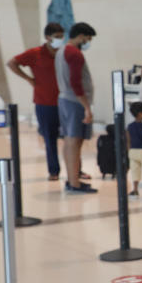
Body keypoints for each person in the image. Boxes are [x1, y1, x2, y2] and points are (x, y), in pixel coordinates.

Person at [7, 22, 65, 181]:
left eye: (62, 37)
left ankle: (76, 171)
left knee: (72, 138)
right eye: (57, 37)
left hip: (65, 102)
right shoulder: (35, 53)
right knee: (50, 139)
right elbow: (12, 63)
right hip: (45, 102)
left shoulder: (64, 53)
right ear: (47, 37)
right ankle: (54, 171)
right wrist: (28, 79)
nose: (60, 40)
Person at [54, 21, 97, 194]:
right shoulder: (74, 54)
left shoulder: (62, 51)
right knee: (74, 141)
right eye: (87, 39)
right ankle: (74, 183)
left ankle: (72, 179)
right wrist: (86, 107)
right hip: (74, 102)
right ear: (80, 36)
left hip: (64, 99)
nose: (88, 42)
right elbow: (76, 82)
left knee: (69, 141)